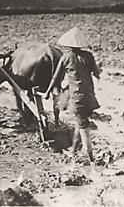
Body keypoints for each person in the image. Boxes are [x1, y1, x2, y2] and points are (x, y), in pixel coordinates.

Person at [44, 27, 100, 161]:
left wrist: (47, 92)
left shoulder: (66, 57)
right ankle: (74, 150)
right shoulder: (89, 56)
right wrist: (98, 69)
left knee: (82, 125)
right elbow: (97, 73)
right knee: (80, 122)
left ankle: (90, 156)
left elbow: (55, 78)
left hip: (77, 97)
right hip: (90, 97)